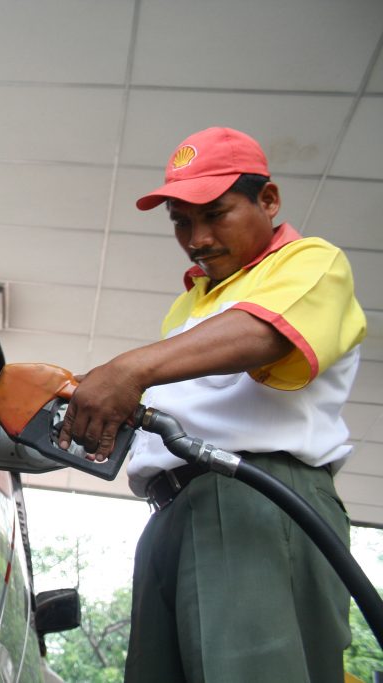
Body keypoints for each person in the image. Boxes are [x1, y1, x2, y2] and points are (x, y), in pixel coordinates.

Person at [57, 127, 367, 682]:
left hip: (254, 500)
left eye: (215, 214)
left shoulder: (310, 261)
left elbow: (266, 334)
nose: (197, 239)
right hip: (171, 511)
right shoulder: (190, 305)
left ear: (267, 200)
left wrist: (129, 370)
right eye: (181, 221)